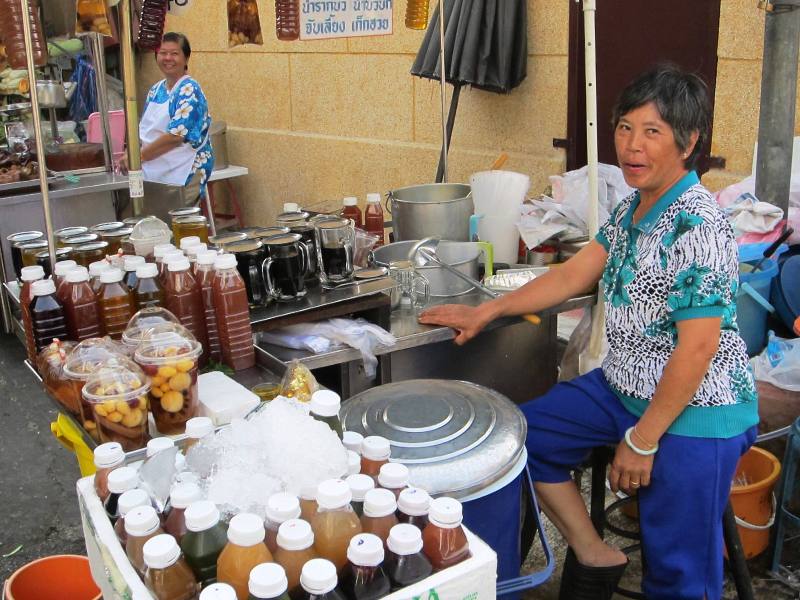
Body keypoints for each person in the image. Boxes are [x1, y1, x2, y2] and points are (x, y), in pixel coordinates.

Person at [419, 64, 758, 600]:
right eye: (625, 127)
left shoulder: (701, 227)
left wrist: (642, 442)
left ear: (689, 142)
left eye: (652, 132)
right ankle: (594, 550)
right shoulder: (632, 208)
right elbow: (574, 274)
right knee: (519, 440)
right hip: (623, 386)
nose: (632, 145)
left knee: (677, 574)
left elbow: (697, 350)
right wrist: (488, 310)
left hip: (696, 408)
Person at [120, 32, 214, 206]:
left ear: (186, 58)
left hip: (184, 171)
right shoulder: (156, 90)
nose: (168, 58)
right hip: (155, 171)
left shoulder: (189, 90)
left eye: (174, 53)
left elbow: (175, 137)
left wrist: (138, 157)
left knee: (180, 226)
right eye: (163, 53)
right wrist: (129, 153)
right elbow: (143, 131)